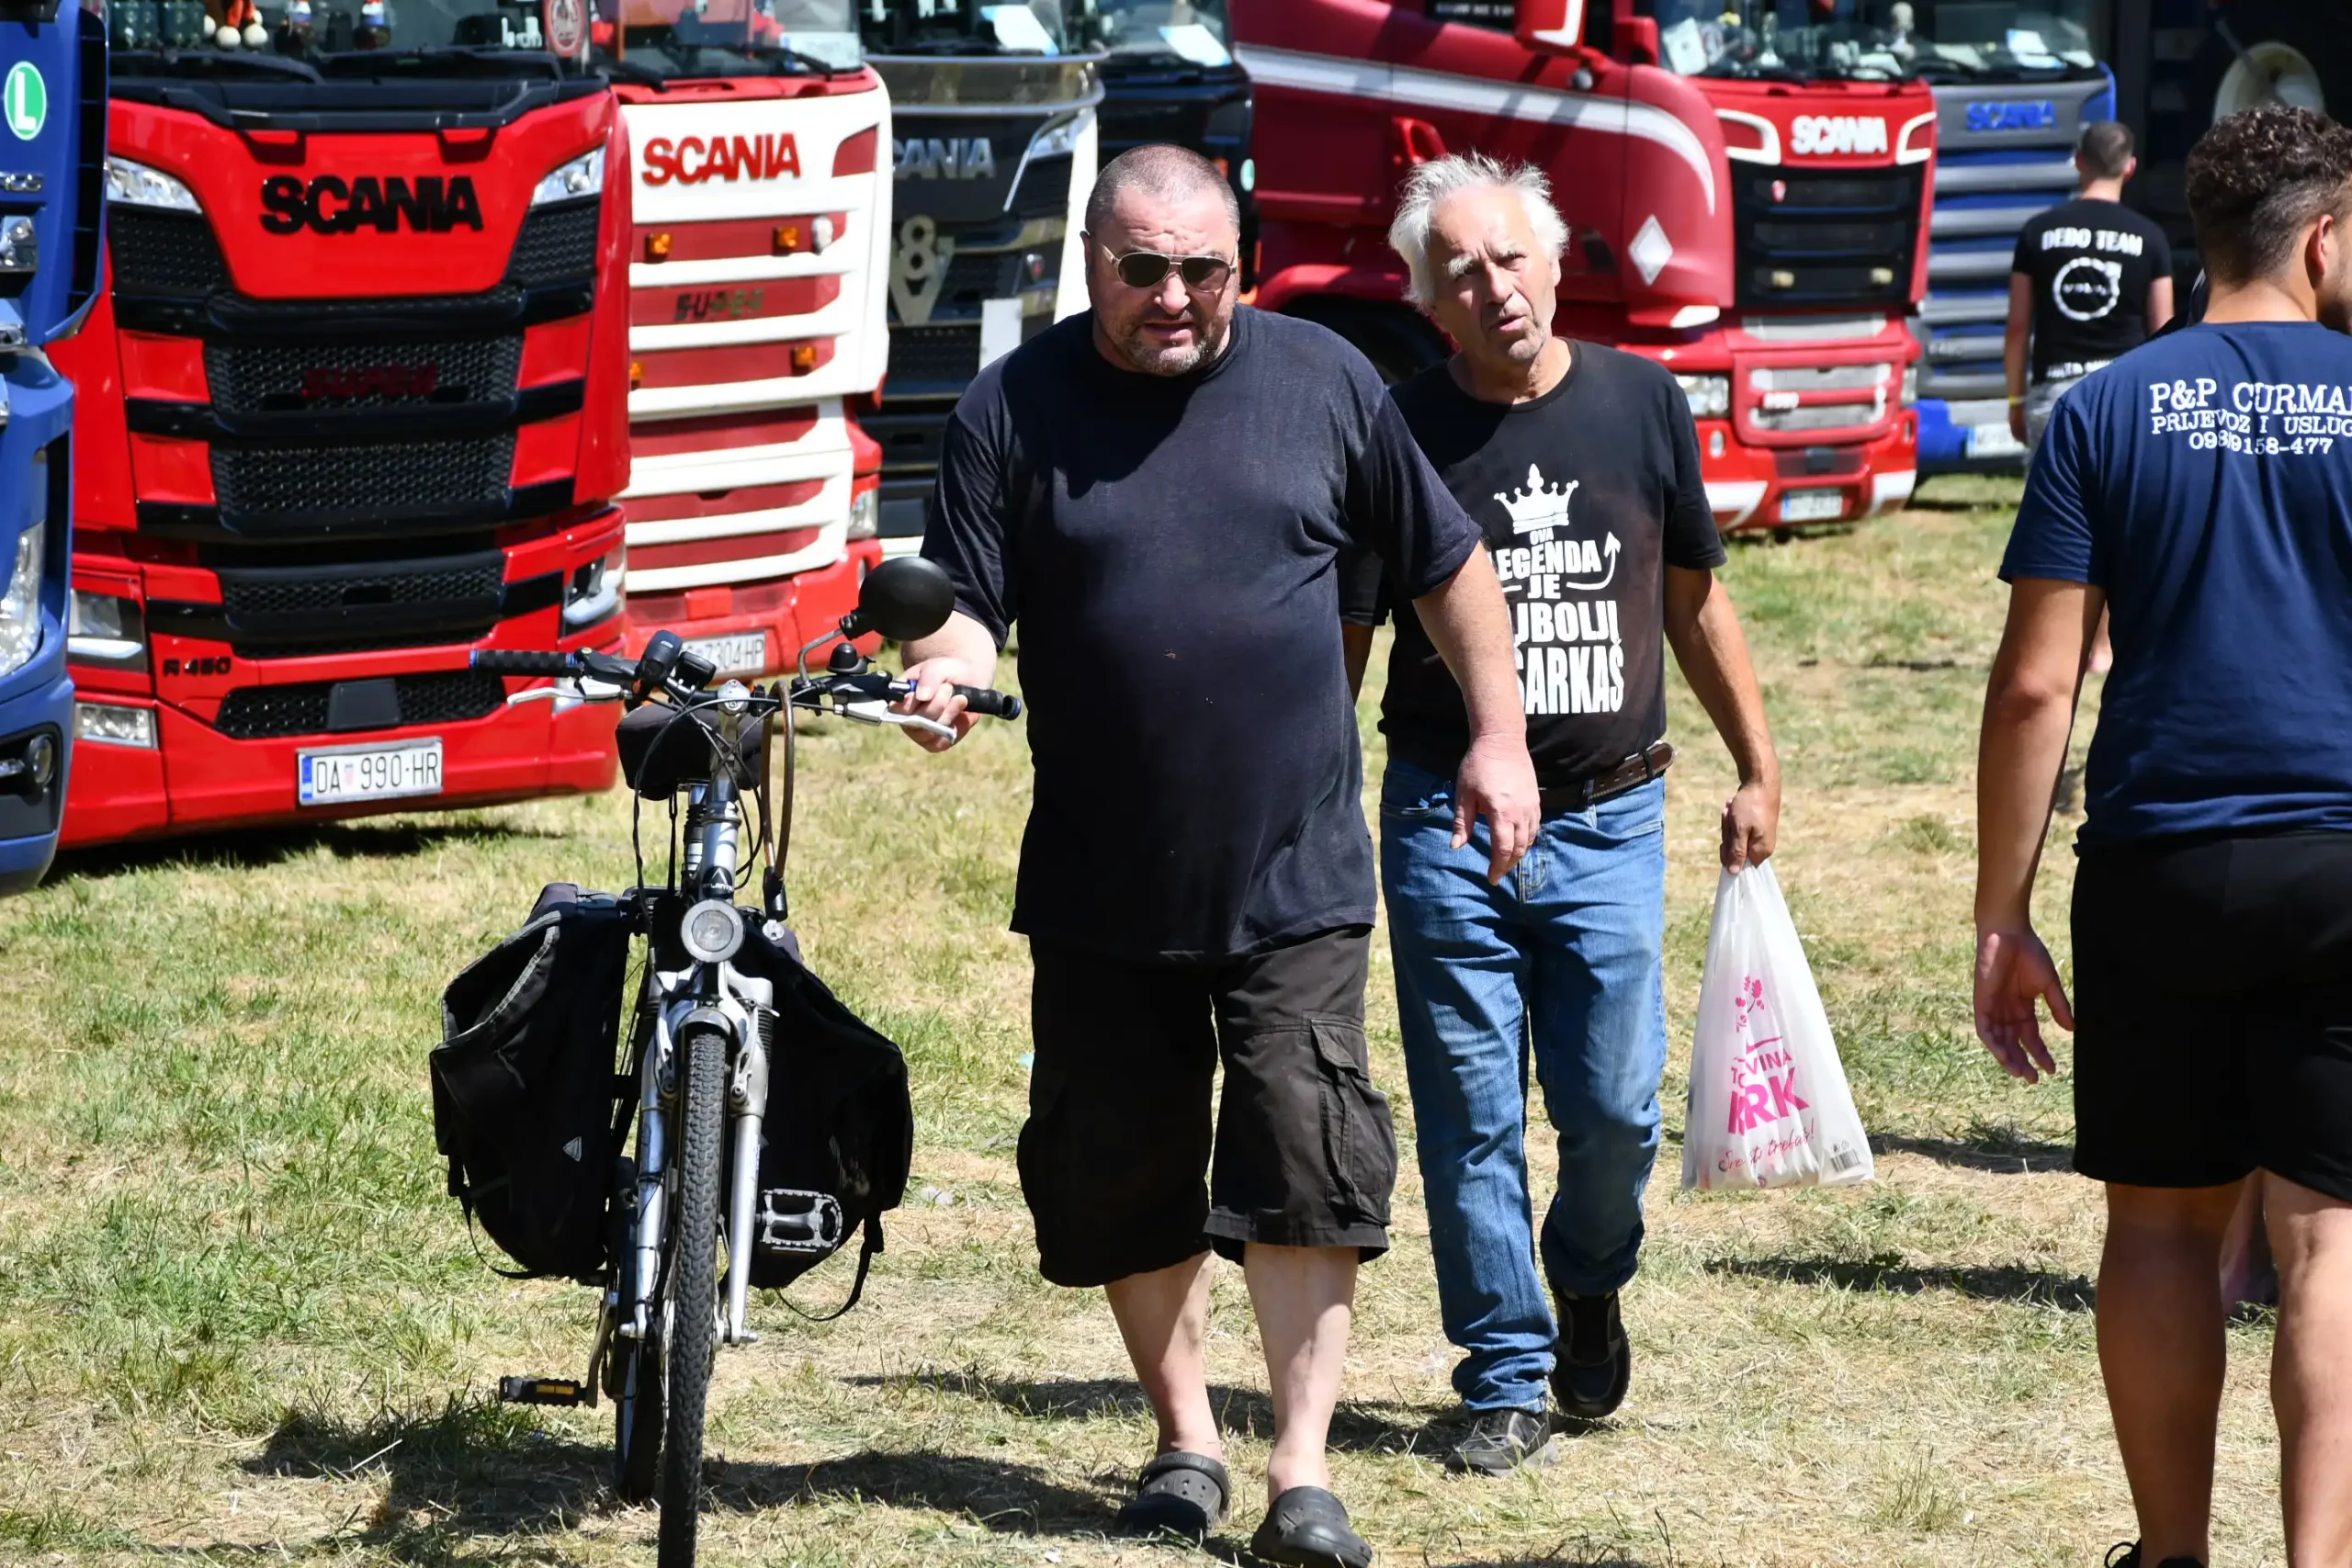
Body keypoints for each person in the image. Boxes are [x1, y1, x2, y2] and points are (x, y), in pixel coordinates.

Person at [890, 144, 1539, 1568]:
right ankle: (1186, 1435)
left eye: (1204, 268)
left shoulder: (1324, 380)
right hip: (1103, 871)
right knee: (1121, 1166)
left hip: (1295, 862)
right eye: (1143, 271)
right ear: (1089, 263)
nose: (1175, 297)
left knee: (1309, 1150)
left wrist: (1499, 734)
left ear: (1240, 261)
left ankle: (1302, 1472)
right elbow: (964, 599)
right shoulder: (1018, 401)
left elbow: (1448, 564)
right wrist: (943, 669)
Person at [1340, 154, 1781, 1475]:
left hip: (1610, 814)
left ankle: (1588, 1276)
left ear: (1554, 260)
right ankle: (1508, 1372)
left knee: (1609, 1110)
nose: (1494, 284)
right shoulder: (1399, 429)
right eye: (1460, 269)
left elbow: (1697, 599)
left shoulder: (1644, 403)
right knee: (1468, 1107)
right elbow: (1352, 627)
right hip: (1442, 816)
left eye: (1511, 255)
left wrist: (1756, 762)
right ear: (1431, 300)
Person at [1974, 105, 2352, 1568]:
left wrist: (2001, 912)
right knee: (2327, 1240)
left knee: (2159, 1229)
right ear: (2321, 237)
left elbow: (2032, 684)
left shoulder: (2106, 409)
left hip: (2162, 862)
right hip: (2341, 856)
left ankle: (2172, 1553)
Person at [2006, 120, 2176, 454]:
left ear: (2079, 161)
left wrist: (2016, 400)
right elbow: (2164, 333)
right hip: (2125, 396)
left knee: (2054, 504)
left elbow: (2017, 327)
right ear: (2130, 167)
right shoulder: (2151, 238)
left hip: (2055, 395)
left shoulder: (2037, 232)